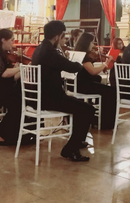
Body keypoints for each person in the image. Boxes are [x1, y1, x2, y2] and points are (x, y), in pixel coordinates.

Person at [32, 21, 95, 162]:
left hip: (42, 96)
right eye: (63, 36)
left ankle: (77, 141)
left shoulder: (39, 48)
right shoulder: (50, 52)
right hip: (51, 98)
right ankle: (70, 149)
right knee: (87, 110)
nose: (64, 39)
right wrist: (79, 62)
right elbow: (73, 68)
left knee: (81, 107)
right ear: (56, 37)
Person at [0, 29, 33, 146]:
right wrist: (21, 68)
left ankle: (14, 133)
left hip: (2, 89)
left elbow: (12, 78)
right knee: (18, 104)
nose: (13, 43)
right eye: (11, 40)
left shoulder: (3, 54)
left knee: (22, 102)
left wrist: (26, 69)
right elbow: (4, 73)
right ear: (3, 40)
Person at [75, 32, 117, 130]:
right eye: (92, 42)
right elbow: (93, 71)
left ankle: (102, 120)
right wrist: (104, 65)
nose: (93, 45)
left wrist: (106, 63)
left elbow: (95, 71)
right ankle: (106, 123)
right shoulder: (84, 56)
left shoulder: (79, 53)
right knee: (111, 91)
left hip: (81, 84)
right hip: (84, 86)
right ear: (86, 43)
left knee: (107, 90)